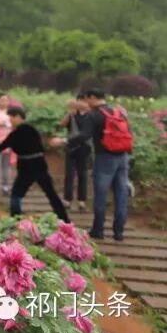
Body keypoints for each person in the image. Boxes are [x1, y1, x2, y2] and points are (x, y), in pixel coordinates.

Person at [0, 107, 70, 222]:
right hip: (40, 165)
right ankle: (65, 220)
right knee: (51, 194)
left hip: (26, 167)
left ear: (18, 117)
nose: (10, 121)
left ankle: (15, 220)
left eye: (11, 118)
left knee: (16, 195)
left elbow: (3, 146)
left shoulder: (16, 133)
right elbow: (41, 147)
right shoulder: (33, 130)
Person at [69, 89, 130, 240]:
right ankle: (119, 232)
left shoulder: (94, 115)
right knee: (121, 194)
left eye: (87, 99)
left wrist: (66, 141)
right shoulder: (118, 112)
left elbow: (85, 135)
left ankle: (98, 230)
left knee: (101, 195)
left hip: (104, 158)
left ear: (92, 98)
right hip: (122, 157)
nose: (86, 102)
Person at [60, 98, 90, 212]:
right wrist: (69, 114)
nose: (80, 103)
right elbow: (62, 124)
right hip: (71, 147)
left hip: (85, 147)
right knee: (69, 174)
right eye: (79, 101)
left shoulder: (90, 115)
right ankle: (67, 199)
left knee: (83, 174)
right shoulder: (72, 114)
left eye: (83, 101)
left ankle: (82, 200)